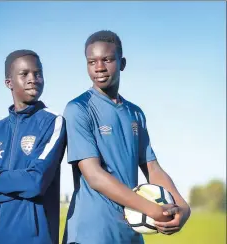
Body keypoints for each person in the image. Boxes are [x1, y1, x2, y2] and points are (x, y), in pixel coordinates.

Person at [62, 30, 191, 244]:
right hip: (92, 231)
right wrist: (153, 210)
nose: (99, 67)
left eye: (107, 59)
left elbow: (153, 169)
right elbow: (94, 175)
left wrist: (183, 207)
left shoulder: (135, 113)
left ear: (122, 63)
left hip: (131, 231)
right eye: (91, 61)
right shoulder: (78, 109)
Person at [0, 50, 66, 244]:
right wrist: (20, 183)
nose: (33, 79)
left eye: (38, 73)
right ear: (9, 82)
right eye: (24, 74)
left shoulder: (53, 123)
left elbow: (36, 182)